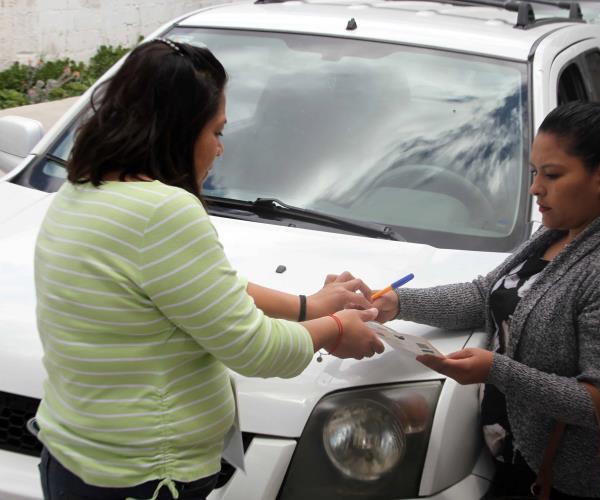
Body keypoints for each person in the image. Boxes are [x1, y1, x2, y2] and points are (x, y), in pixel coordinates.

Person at [33, 39, 384, 500]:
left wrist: (306, 305)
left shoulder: (84, 190)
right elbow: (255, 350)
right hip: (143, 478)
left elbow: (196, 290)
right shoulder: (163, 212)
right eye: (217, 131)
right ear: (177, 131)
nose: (220, 149)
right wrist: (337, 328)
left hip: (72, 460)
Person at [367, 101, 600, 498]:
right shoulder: (555, 234)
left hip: (557, 482)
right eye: (534, 172)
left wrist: (497, 370)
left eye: (553, 174)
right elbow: (483, 293)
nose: (535, 188)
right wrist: (398, 303)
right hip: (505, 457)